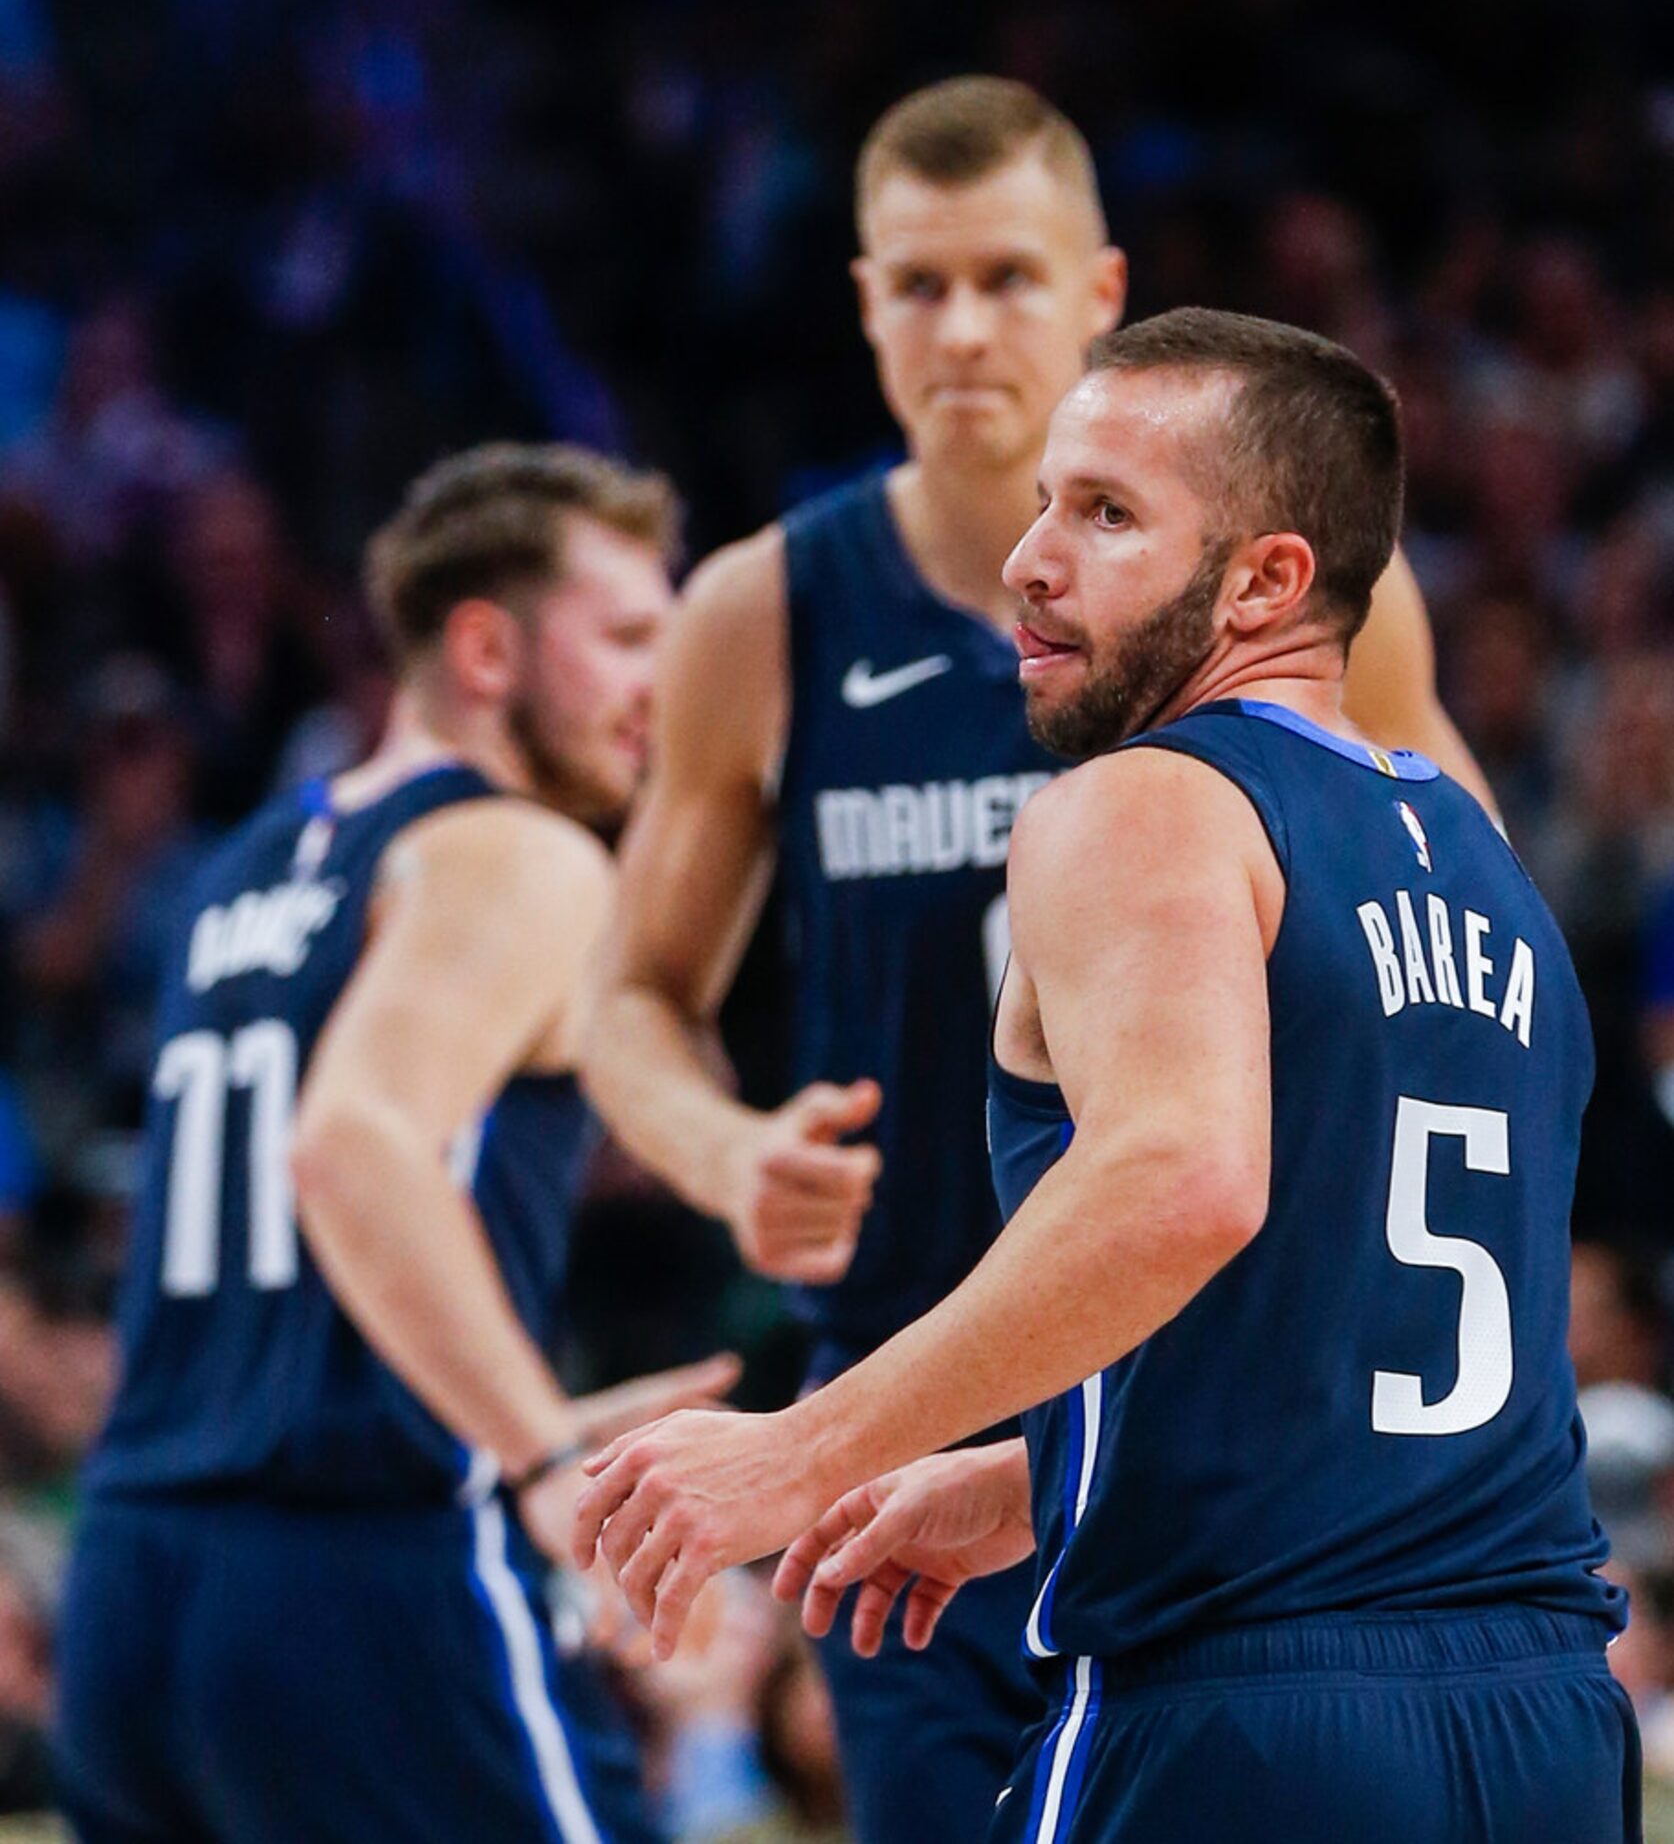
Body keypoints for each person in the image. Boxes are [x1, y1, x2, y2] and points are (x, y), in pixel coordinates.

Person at [574, 308, 1637, 1843]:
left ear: (1267, 578)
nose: (1028, 560)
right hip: (1539, 1720)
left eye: (1106, 513)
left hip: (1247, 1725)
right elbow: (1363, 1327)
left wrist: (798, 1450)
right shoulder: (1485, 865)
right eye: (1041, 503)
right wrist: (1039, 1480)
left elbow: (1183, 1183)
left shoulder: (1147, 800)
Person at [53, 442, 739, 1844]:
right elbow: (350, 1147)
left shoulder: (251, 864)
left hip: (133, 1579)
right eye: (621, 639)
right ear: (484, 646)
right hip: (355, 1567)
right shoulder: (519, 851)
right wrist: (539, 1450)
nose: (655, 689)